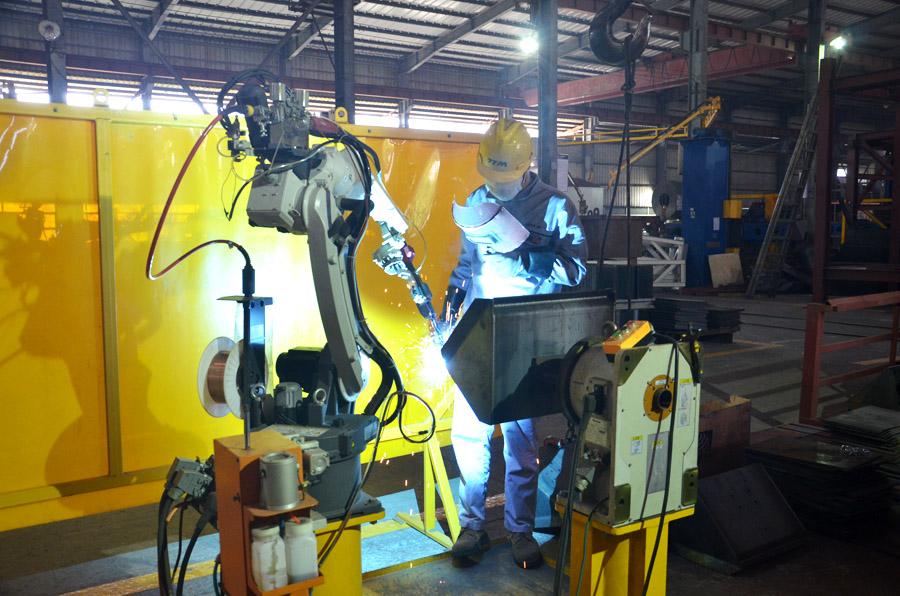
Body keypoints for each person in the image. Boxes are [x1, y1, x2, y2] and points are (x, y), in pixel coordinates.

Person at [440, 118, 587, 569]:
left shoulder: (556, 207)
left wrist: (525, 262)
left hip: (525, 339)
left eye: (504, 180)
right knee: (469, 435)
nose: (496, 188)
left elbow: (577, 269)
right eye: (491, 178)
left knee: (520, 442)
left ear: (526, 168)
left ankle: (520, 531)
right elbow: (467, 263)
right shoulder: (476, 201)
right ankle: (472, 525)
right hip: (479, 334)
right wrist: (454, 293)